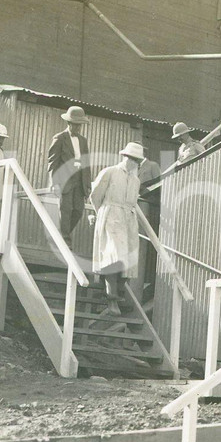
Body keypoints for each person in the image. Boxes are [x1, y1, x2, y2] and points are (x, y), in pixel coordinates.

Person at [89, 142, 145, 315]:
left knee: (128, 260)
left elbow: (133, 202)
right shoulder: (110, 172)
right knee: (114, 256)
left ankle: (117, 294)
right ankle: (111, 299)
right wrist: (102, 215)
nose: (133, 163)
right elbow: (95, 195)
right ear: (124, 157)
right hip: (111, 216)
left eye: (136, 160)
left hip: (128, 219)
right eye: (131, 158)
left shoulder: (136, 180)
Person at [47, 106, 92, 248]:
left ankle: (61, 235)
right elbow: (53, 162)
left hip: (80, 180)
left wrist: (88, 184)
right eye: (76, 124)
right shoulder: (59, 138)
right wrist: (54, 182)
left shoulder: (83, 141)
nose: (78, 128)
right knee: (65, 210)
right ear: (69, 123)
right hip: (65, 180)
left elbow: (86, 163)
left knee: (78, 211)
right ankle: (65, 242)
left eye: (80, 125)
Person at [137, 154, 162, 302]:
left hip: (151, 210)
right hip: (140, 210)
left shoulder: (152, 166)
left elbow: (160, 185)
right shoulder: (135, 169)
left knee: (150, 246)